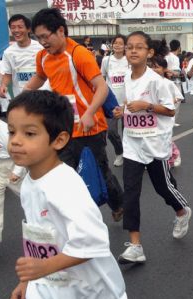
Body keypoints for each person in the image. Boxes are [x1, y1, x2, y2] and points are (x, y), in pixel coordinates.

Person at [8, 90, 127, 299]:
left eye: (29, 133)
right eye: (11, 132)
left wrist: (43, 267)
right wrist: (27, 280)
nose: (16, 141)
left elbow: (92, 241)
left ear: (59, 140)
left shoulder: (64, 185)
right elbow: (37, 236)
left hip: (90, 293)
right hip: (52, 289)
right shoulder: (29, 182)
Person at [25, 8, 124, 220]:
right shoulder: (43, 56)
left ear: (60, 30)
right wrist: (23, 96)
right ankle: (78, 218)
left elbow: (102, 87)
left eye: (45, 36)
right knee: (66, 174)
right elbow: (40, 77)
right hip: (63, 127)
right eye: (38, 38)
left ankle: (118, 203)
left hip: (90, 128)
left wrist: (89, 112)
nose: (42, 42)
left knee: (98, 173)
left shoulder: (78, 54)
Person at [113, 32, 191, 264]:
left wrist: (146, 105)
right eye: (129, 47)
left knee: (162, 188)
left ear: (150, 53)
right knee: (131, 192)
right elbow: (128, 106)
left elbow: (169, 110)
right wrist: (123, 111)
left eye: (139, 47)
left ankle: (181, 211)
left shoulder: (158, 82)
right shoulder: (127, 78)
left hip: (155, 143)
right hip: (132, 144)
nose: (133, 51)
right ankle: (135, 246)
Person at [0, 14, 44, 100]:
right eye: (13, 27)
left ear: (28, 29)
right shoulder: (8, 52)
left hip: (42, 96)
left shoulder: (41, 48)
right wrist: (3, 86)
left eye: (20, 27)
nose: (16, 30)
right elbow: (8, 73)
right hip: (20, 98)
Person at [101, 34, 129, 167]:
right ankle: (120, 152)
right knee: (111, 131)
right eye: (115, 43)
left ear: (125, 46)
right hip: (112, 102)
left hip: (127, 102)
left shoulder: (129, 60)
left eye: (120, 43)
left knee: (128, 132)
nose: (117, 45)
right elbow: (102, 79)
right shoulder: (106, 60)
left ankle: (130, 156)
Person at [0, 118, 26, 243]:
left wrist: (17, 171)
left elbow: (22, 151)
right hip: (0, 167)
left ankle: (48, 228)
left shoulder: (4, 130)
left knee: (30, 198)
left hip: (13, 163)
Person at [165, 39, 183, 125]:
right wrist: (173, 73)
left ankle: (172, 119)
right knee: (176, 100)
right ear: (179, 48)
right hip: (173, 80)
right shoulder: (172, 57)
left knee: (173, 100)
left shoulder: (169, 56)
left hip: (173, 80)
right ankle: (172, 119)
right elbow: (168, 69)